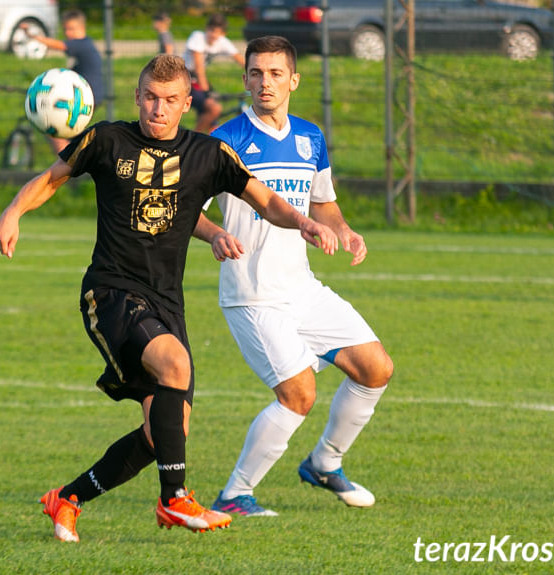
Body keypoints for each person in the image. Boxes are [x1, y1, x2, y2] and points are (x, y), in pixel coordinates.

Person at [0, 54, 338, 543]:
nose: (159, 108)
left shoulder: (207, 154)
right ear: (138, 97)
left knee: (164, 433)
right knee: (174, 365)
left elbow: (266, 200)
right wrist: (12, 213)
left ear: (186, 104)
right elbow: (51, 178)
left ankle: (66, 499)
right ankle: (174, 500)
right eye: (151, 97)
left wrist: (301, 221)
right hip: (110, 292)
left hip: (166, 302)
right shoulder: (108, 139)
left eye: (170, 100)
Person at [193, 36, 394, 517]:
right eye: (257, 74)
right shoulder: (224, 140)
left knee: (376, 368)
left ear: (293, 81)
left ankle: (325, 463)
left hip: (300, 288)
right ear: (244, 80)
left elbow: (321, 202)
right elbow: (188, 212)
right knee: (299, 393)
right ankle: (236, 495)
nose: (266, 83)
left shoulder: (310, 137)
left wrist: (344, 230)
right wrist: (215, 233)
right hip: (252, 294)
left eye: (276, 74)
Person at [22, 8, 104, 153]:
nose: (68, 33)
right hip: (91, 93)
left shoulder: (80, 44)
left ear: (82, 28)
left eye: (72, 29)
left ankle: (67, 163)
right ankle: (73, 158)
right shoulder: (86, 44)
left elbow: (57, 45)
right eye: (65, 29)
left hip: (87, 95)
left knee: (52, 126)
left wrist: (33, 36)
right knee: (71, 132)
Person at [183, 14, 244, 133]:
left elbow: (241, 60)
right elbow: (198, 67)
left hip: (198, 79)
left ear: (223, 34)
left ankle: (204, 138)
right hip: (186, 78)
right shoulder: (198, 37)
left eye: (217, 32)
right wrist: (206, 92)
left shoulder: (222, 42)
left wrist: (259, 71)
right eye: (211, 30)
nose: (213, 35)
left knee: (212, 118)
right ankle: (193, 141)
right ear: (206, 29)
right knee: (214, 108)